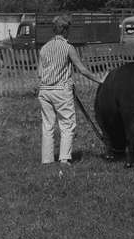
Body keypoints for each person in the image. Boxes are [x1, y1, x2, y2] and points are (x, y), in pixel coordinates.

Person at [36, 15, 104, 165]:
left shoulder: (44, 48)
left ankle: (47, 160)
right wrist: (100, 80)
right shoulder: (68, 47)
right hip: (61, 90)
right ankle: (64, 158)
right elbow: (82, 69)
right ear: (65, 30)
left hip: (44, 90)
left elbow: (40, 73)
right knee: (67, 124)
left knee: (47, 125)